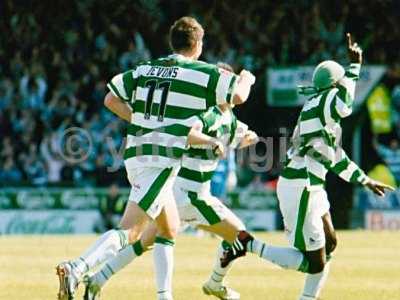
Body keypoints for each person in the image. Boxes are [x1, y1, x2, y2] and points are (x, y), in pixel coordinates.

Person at [56, 16, 255, 300]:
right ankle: (77, 267)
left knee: (168, 228)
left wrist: (143, 123)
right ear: (198, 45)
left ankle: (161, 295)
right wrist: (247, 78)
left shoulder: (146, 68)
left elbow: (110, 99)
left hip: (137, 152)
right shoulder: (201, 72)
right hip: (159, 161)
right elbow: (238, 95)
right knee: (130, 232)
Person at [220, 34, 394, 300]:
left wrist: (364, 180)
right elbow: (345, 105)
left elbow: (334, 156)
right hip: (301, 188)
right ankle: (248, 243)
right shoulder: (325, 103)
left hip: (311, 186)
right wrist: (354, 67)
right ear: (334, 86)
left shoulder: (320, 110)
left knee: (331, 243)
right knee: (313, 262)